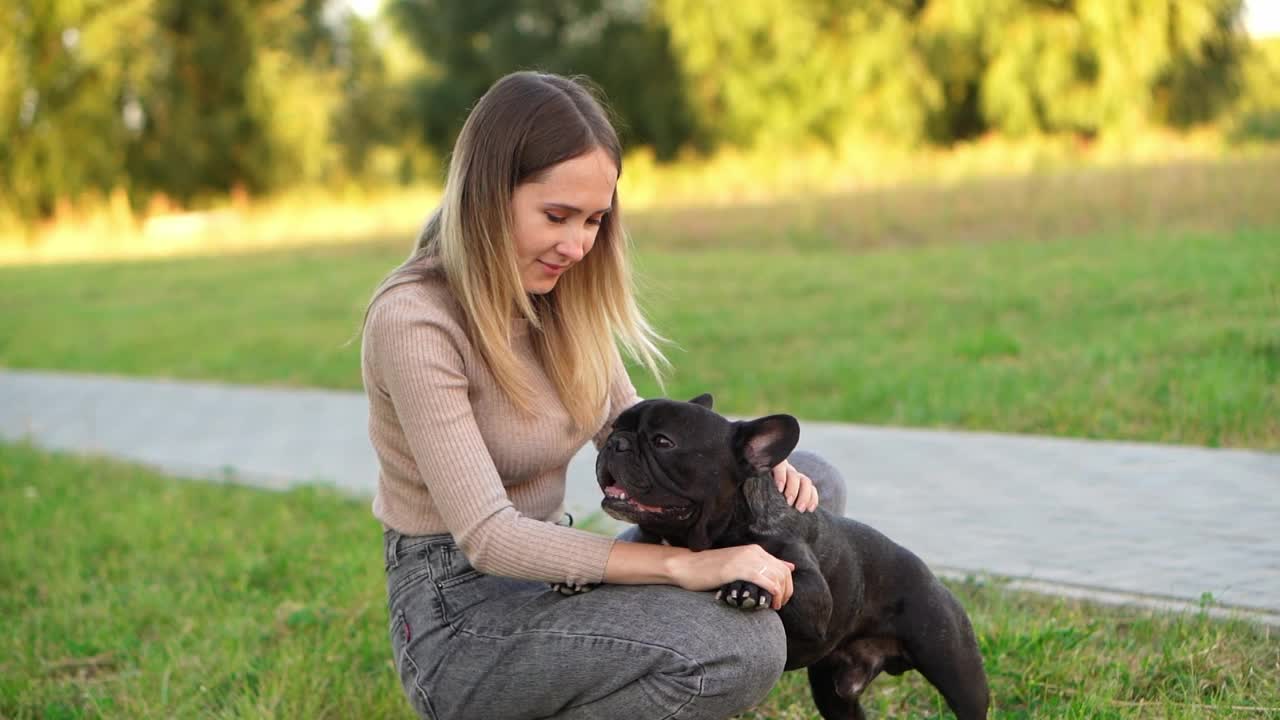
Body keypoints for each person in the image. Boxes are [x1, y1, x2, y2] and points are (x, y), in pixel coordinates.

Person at [361, 70, 846, 720]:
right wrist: (680, 569)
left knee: (804, 487)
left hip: (552, 570)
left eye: (593, 220)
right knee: (742, 647)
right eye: (556, 216)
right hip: (460, 613)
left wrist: (739, 462)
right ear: (485, 194)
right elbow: (487, 538)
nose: (577, 245)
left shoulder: (559, 290)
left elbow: (629, 430)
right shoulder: (416, 320)